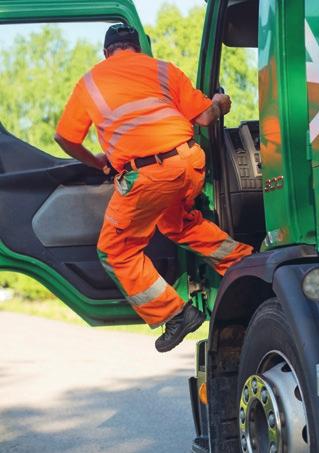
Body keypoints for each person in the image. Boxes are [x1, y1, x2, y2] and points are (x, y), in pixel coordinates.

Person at [55, 24, 253, 352]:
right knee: (180, 224)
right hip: (188, 162)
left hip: (148, 175)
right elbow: (204, 117)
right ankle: (244, 263)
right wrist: (220, 103)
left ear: (107, 53)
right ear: (138, 48)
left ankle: (176, 313)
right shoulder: (162, 69)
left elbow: (65, 137)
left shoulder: (91, 81)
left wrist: (95, 161)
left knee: (115, 250)